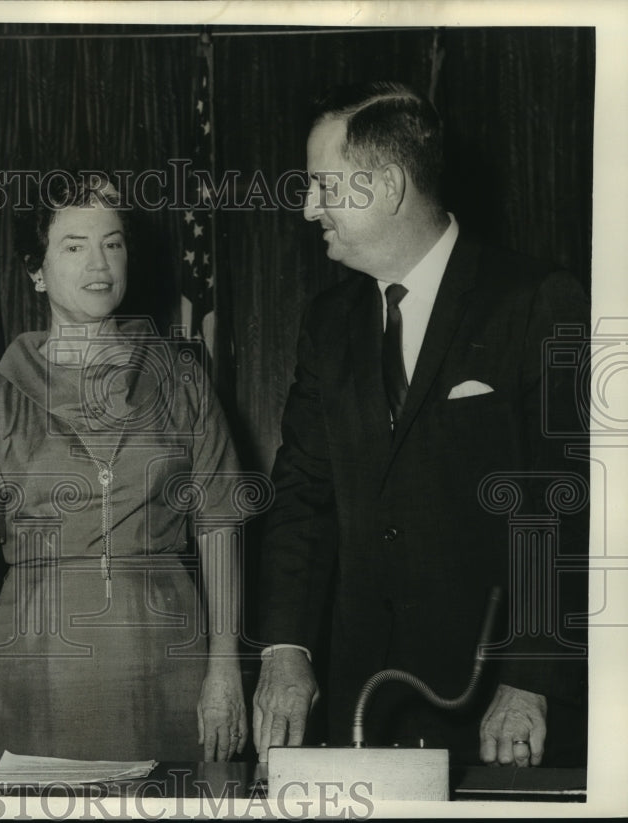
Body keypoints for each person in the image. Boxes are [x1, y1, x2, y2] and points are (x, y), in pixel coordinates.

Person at [253, 82, 588, 768]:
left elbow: (571, 502)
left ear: (390, 185)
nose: (307, 205)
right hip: (361, 707)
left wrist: (530, 678)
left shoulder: (537, 301)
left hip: (499, 709)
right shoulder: (329, 323)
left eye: (322, 184)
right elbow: (301, 499)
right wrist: (286, 650)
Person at [0, 174, 248, 764]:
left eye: (112, 243)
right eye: (74, 245)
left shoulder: (183, 379)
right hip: (40, 669)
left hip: (173, 663)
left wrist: (225, 664)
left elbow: (220, 525)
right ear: (36, 269)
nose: (100, 263)